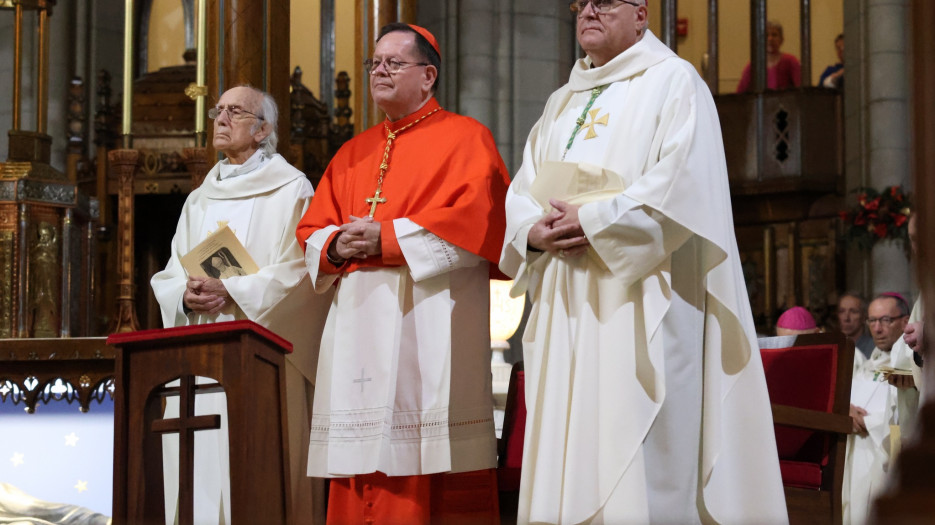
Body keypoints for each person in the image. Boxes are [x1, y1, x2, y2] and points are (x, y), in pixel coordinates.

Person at [500, 1, 787, 523]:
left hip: (644, 301)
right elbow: (522, 189)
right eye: (580, 2)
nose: (588, 10)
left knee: (641, 452)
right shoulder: (560, 103)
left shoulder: (676, 83)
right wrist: (530, 231)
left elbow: (682, 186)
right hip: (567, 305)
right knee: (571, 445)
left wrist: (595, 219)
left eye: (604, 1)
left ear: (641, 13)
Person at [295, 23, 510, 524]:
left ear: (428, 75)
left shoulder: (466, 138)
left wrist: (386, 239)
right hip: (357, 326)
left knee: (426, 459)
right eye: (375, 63)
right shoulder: (352, 152)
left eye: (394, 62)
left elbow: (479, 220)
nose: (380, 71)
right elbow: (311, 229)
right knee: (359, 456)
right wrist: (335, 243)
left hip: (429, 321)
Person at [150, 85, 330, 525]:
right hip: (199, 347)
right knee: (199, 471)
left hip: (264, 352)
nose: (221, 119)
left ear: (263, 129)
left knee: (256, 465)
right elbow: (172, 270)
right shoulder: (199, 198)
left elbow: (302, 273)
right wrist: (184, 295)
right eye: (219, 110)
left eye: (236, 112)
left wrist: (234, 291)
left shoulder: (292, 191)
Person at [844, 292, 919, 524]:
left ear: (905, 322)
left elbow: (909, 418)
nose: (877, 328)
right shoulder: (865, 365)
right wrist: (845, 410)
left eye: (885, 320)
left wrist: (869, 422)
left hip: (889, 454)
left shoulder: (915, 367)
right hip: (857, 455)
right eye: (872, 321)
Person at [736, 20, 801, 93]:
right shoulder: (753, 66)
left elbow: (800, 89)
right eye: (766, 35)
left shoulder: (790, 61)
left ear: (781, 40)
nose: (770, 39)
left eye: (774, 35)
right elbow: (740, 94)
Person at [838, 292, 875, 358]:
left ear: (864, 317)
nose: (846, 318)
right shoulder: (834, 347)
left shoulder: (873, 348)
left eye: (853, 312)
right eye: (842, 311)